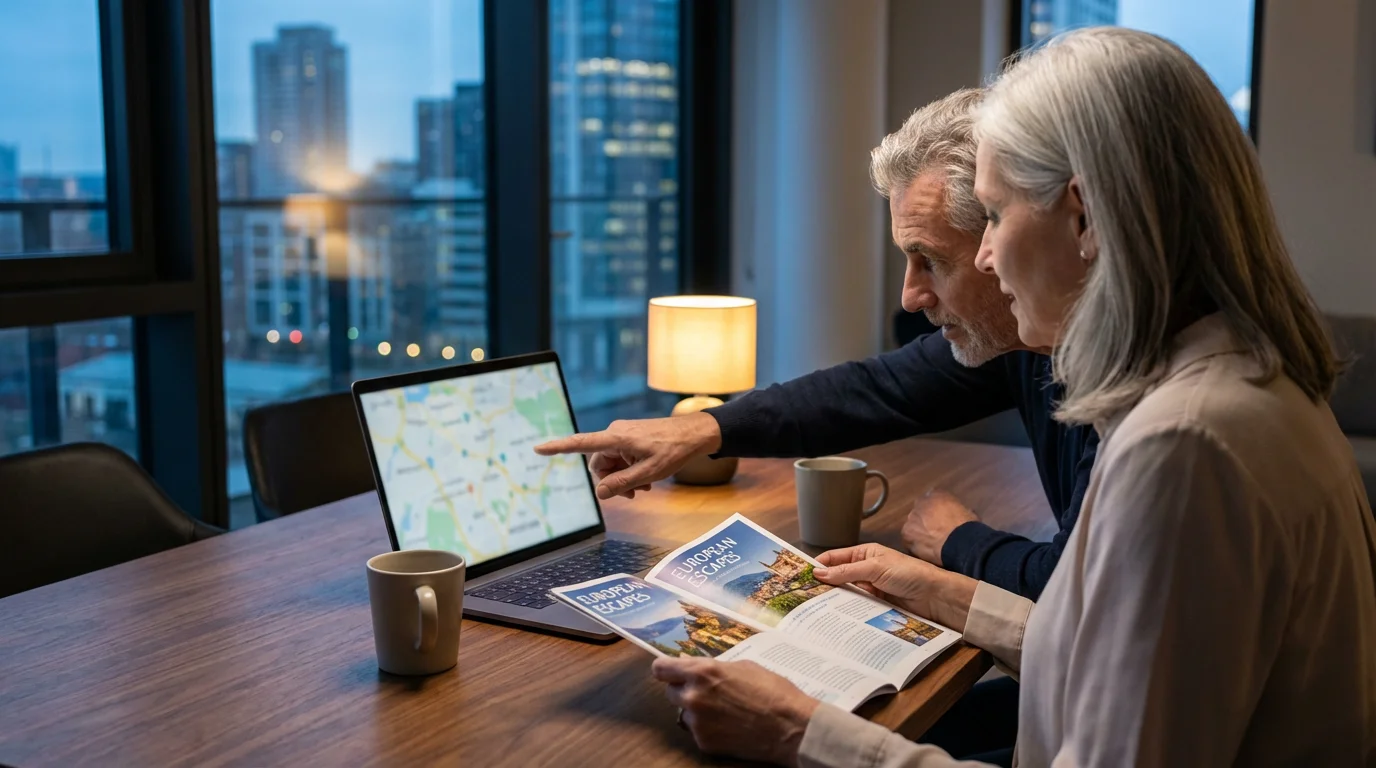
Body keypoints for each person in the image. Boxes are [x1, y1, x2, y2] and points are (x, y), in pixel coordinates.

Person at [644, 27, 1376, 767]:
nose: (987, 255)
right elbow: (1109, 653)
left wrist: (802, 733)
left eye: (992, 215)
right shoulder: (1245, 379)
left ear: (1085, 216)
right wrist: (941, 593)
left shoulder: (1184, 445)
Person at [538, 89, 1098, 603]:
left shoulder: (1131, 386)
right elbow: (875, 388)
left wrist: (959, 541)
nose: (909, 296)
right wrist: (703, 428)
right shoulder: (1025, 344)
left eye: (932, 260)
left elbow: (1077, 588)